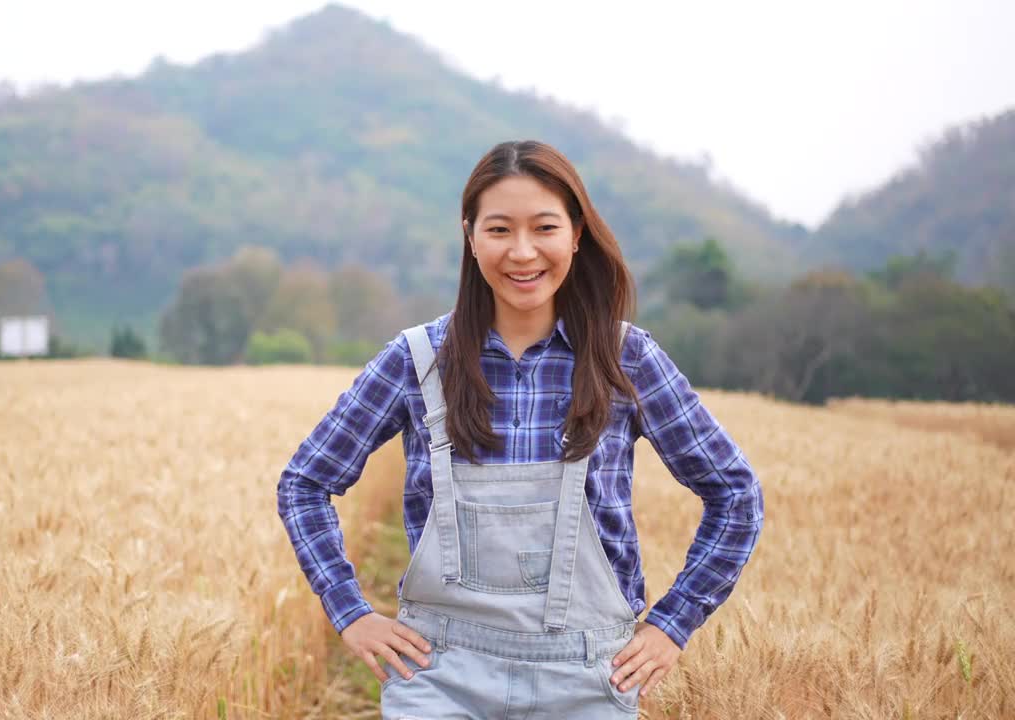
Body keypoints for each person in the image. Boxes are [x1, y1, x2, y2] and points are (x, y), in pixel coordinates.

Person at [276, 140, 765, 718]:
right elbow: (304, 483)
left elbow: (736, 495)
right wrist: (349, 610)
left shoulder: (625, 358)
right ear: (471, 236)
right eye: (500, 229)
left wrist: (671, 624)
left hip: (588, 677)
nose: (523, 251)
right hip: (438, 673)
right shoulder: (416, 360)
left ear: (577, 234)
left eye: (545, 228)